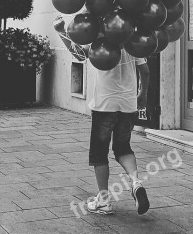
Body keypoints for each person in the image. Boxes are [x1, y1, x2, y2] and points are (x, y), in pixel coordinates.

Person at [53, 16, 150, 216]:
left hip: (105, 105)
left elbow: (78, 54)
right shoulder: (130, 40)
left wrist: (62, 31)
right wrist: (142, 95)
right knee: (123, 147)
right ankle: (136, 182)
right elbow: (145, 71)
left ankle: (104, 201)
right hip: (128, 104)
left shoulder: (100, 43)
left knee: (99, 153)